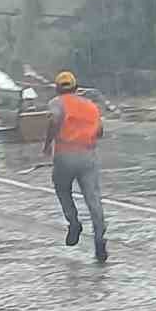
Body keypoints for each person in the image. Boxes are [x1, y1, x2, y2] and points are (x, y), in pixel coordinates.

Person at [44, 71, 108, 262]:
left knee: (62, 189)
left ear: (57, 88)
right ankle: (99, 238)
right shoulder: (90, 106)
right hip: (88, 156)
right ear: (75, 87)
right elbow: (100, 131)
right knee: (93, 197)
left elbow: (54, 120)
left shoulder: (56, 103)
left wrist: (48, 143)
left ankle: (73, 222)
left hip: (65, 155)